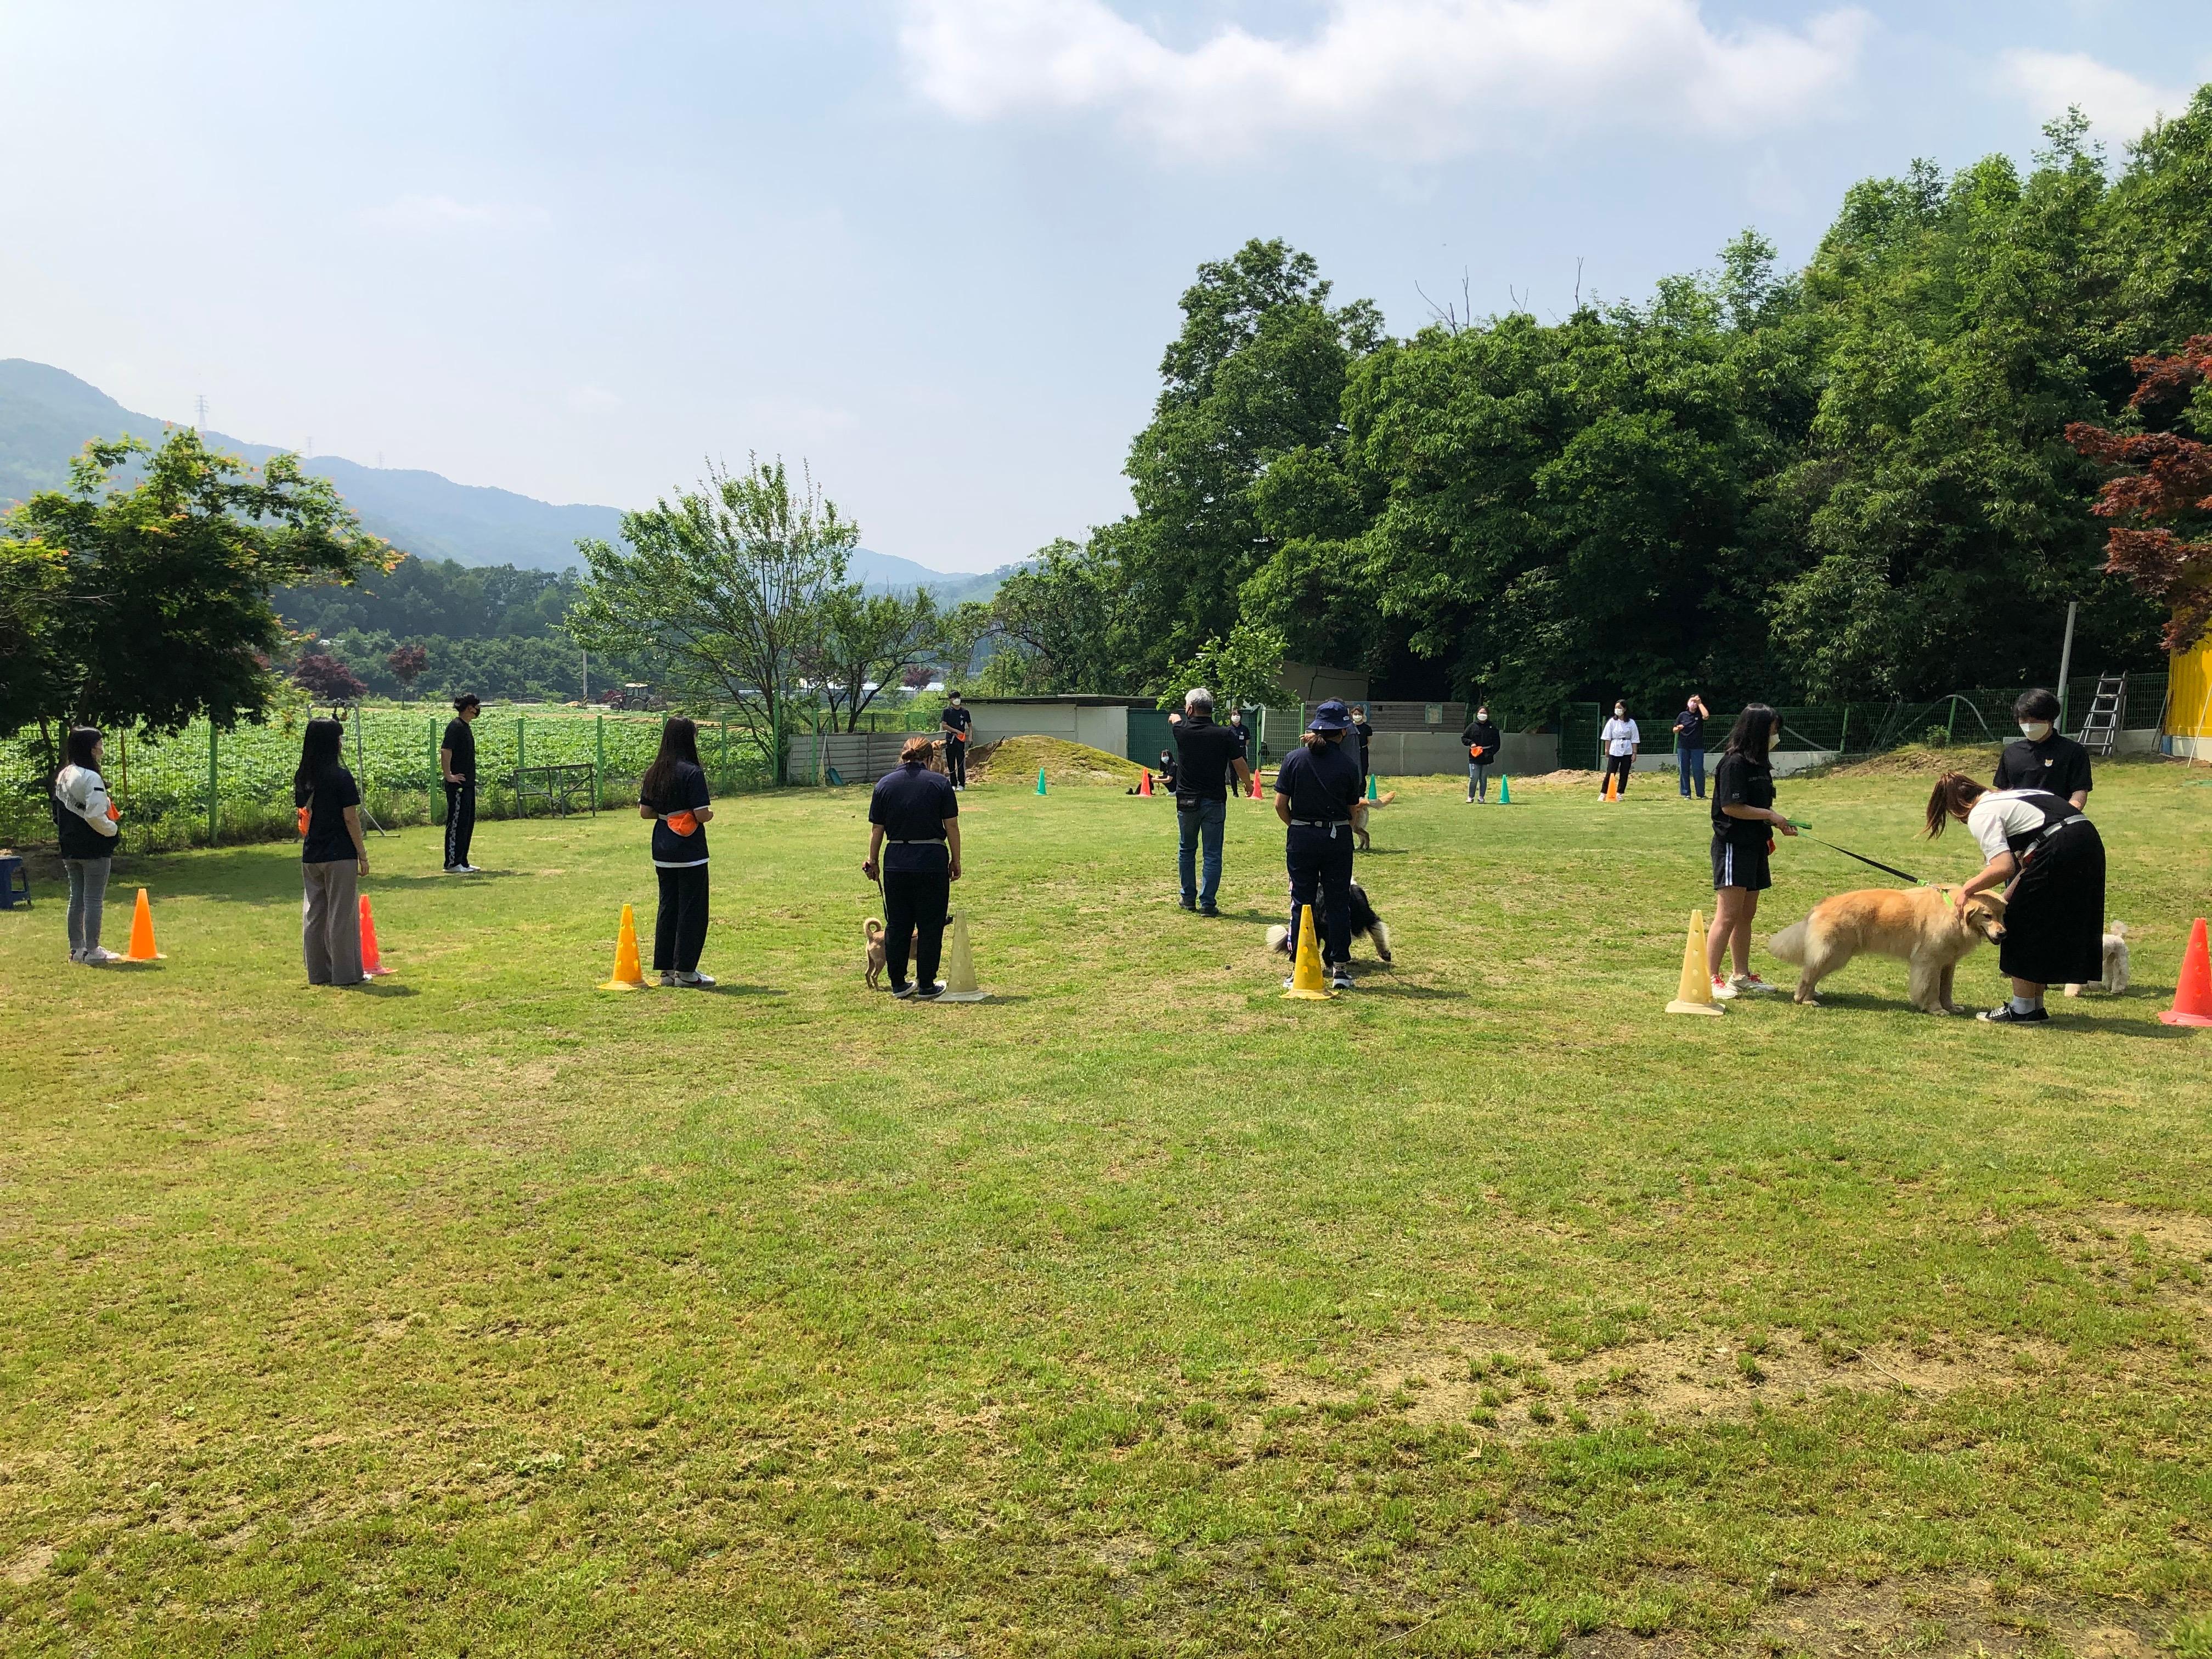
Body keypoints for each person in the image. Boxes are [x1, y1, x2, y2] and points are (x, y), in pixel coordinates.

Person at [1926, 772, 2106, 1024]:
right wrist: (2005, 901)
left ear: (1956, 807)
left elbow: (2003, 867)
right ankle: (2035, 1006)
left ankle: (2022, 1008)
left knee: (2020, 924)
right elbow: (2024, 866)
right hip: (2086, 841)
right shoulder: (2012, 797)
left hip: (2058, 847)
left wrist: (1967, 890)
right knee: (2038, 921)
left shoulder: (1981, 813)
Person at [1705, 703, 1796, 998]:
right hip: (1733, 845)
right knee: (1728, 915)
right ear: (1758, 730)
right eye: (1772, 730)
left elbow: (1760, 807)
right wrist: (1771, 817)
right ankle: (1710, 978)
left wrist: (1778, 823)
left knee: (1747, 914)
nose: (1776, 735)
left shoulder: (1759, 765)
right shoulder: (1733, 764)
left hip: (1755, 846)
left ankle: (1740, 976)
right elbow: (1732, 807)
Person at [1273, 698, 1364, 990]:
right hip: (1337, 838)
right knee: (1339, 902)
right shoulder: (1349, 765)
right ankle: (1339, 968)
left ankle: (1298, 966)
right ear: (1344, 732)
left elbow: (1280, 804)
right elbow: (1353, 810)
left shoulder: (1294, 759)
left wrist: (1298, 827)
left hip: (1301, 838)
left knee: (1302, 902)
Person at [862, 735, 962, 998]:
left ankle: (898, 984)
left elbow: (877, 829)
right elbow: (951, 825)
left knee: (897, 924)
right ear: (929, 758)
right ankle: (927, 984)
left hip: (896, 858)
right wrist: (956, 860)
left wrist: (873, 862)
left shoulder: (884, 784)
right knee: (930, 924)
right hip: (931, 858)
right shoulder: (940, 783)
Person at [637, 716, 715, 988]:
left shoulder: (654, 772)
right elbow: (702, 815)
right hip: (690, 851)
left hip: (662, 849)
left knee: (668, 907)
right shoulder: (692, 772)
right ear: (688, 739)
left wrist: (667, 815)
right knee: (692, 909)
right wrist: (708, 814)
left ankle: (666, 971)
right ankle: (686, 972)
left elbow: (645, 812)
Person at [295, 717, 370, 987]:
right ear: (332, 743)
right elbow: (351, 818)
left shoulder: (303, 777)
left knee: (315, 914)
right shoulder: (340, 776)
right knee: (342, 914)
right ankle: (346, 974)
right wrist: (362, 854)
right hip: (340, 853)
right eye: (339, 738)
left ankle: (318, 973)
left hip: (312, 853)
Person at [1165, 687, 1254, 915]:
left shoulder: (1182, 731)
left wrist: (1176, 717)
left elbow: (1177, 721)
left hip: (1187, 800)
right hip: (1214, 800)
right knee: (1212, 853)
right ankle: (1208, 903)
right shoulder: (1225, 734)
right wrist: (1248, 784)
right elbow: (1239, 763)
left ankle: (1188, 898)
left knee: (1187, 849)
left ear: (1191, 708)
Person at [52, 725, 122, 964]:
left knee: (77, 899)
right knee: (93, 900)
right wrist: (112, 830)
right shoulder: (91, 777)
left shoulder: (64, 774)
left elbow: (57, 811)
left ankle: (76, 950)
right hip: (93, 847)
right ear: (91, 748)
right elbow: (95, 816)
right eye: (99, 743)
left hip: (69, 846)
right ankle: (93, 951)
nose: (101, 748)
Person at [1991, 689, 2091, 809]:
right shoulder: (2011, 753)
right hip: (2018, 821)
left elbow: (2079, 792)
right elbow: (2002, 791)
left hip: (2057, 820)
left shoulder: (2073, 751)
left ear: (2050, 719)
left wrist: (2068, 815)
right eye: (2024, 720)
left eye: (2035, 721)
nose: (2029, 725)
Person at [440, 692, 483, 872]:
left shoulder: (466, 727)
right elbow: (445, 751)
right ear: (468, 708)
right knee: (457, 822)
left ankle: (462, 861)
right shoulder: (455, 726)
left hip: (468, 784)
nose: (478, 710)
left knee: (467, 822)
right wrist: (449, 775)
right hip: (457, 785)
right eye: (475, 706)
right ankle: (452, 863)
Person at [1460, 703, 1502, 803]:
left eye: (1484, 713)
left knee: (1483, 778)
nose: (1482, 714)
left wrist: (1491, 753)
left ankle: (1481, 797)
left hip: (1487, 756)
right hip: (1474, 755)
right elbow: (1464, 738)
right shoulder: (1472, 726)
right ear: (1477, 714)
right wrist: (1472, 743)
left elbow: (1497, 743)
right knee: (1474, 777)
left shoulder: (1492, 727)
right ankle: (1470, 797)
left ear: (1488, 714)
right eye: (1481, 712)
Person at [1673, 694, 1711, 800]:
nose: (1693, 703)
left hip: (1697, 747)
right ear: (1688, 703)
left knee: (1698, 769)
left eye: (1695, 702)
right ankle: (1686, 793)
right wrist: (1678, 729)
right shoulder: (1682, 715)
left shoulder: (1700, 714)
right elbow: (1674, 729)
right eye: (1692, 701)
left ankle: (1701, 793)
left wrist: (1700, 703)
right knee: (1684, 769)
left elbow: (1706, 716)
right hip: (1683, 746)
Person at [1600, 702, 1639, 797]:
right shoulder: (1612, 722)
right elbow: (1608, 737)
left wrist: (1634, 753)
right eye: (1616, 707)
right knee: (1610, 772)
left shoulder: (1631, 723)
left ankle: (1619, 793)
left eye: (1620, 707)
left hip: (1627, 749)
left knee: (1624, 773)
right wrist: (1607, 749)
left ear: (1625, 709)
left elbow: (1634, 738)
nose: (1618, 709)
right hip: (1615, 748)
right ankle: (1604, 793)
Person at [939, 691, 973, 790]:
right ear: (950, 700)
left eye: (958, 697)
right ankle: (953, 784)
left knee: (961, 762)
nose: (956, 700)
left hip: (961, 740)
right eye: (954, 698)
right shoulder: (947, 711)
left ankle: (962, 784)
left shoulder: (965, 712)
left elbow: (970, 726)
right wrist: (955, 731)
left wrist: (970, 737)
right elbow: (944, 725)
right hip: (951, 739)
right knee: (950, 762)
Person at [1348, 704, 1375, 785]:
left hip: (1363, 751)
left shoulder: (1367, 728)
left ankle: (1362, 791)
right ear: (1352, 715)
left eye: (1359, 714)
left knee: (1363, 770)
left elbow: (1369, 742)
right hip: (1351, 751)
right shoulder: (1349, 727)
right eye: (1355, 714)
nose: (1357, 716)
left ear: (1363, 715)